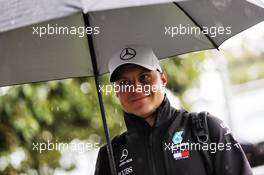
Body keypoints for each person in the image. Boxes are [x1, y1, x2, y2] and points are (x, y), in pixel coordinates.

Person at [94, 44, 253, 175]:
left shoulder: (206, 128)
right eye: (124, 83)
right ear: (116, 92)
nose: (136, 88)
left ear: (162, 79)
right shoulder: (110, 156)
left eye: (144, 77)